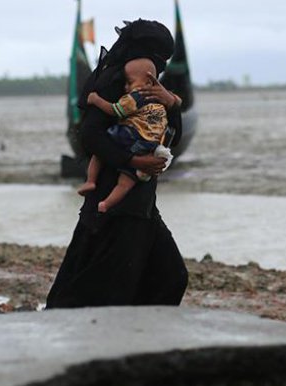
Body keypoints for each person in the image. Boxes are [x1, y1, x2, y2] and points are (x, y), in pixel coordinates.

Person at [46, 19, 188, 309]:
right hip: (114, 211)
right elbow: (90, 135)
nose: (157, 66)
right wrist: (134, 160)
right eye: (157, 57)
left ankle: (140, 340)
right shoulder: (114, 80)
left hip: (143, 209)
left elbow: (170, 137)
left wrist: (171, 103)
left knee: (170, 277)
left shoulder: (155, 87)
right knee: (101, 291)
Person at [78, 57, 174, 213]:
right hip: (149, 146)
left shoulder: (137, 96)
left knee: (100, 152)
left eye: (129, 82)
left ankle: (90, 181)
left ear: (149, 82)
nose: (125, 87)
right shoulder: (162, 100)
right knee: (127, 182)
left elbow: (115, 110)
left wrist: (96, 100)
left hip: (129, 135)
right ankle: (106, 204)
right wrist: (173, 100)